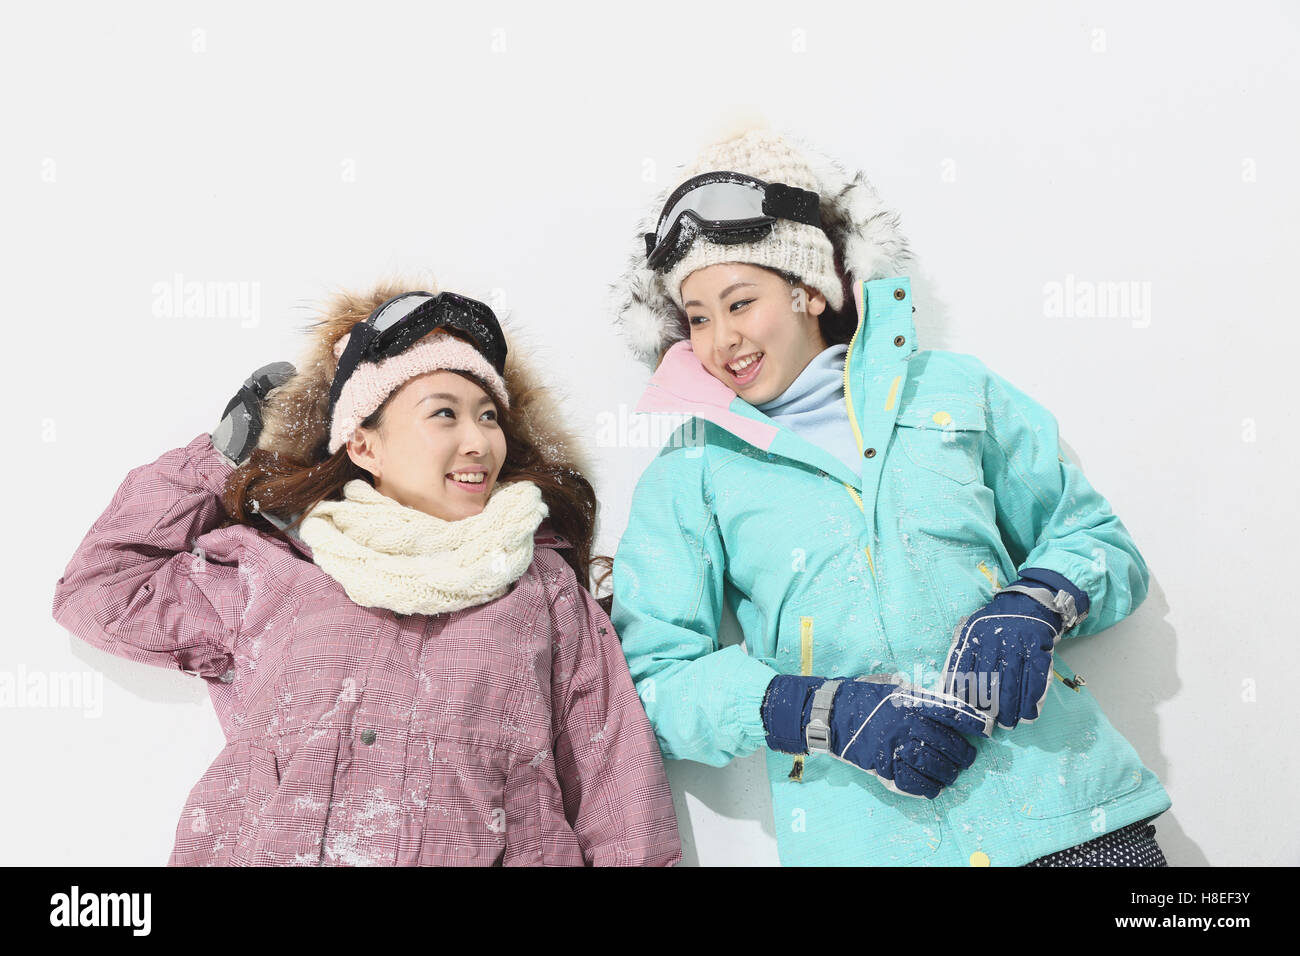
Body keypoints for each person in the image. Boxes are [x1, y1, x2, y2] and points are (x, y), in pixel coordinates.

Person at [608, 128, 1170, 866]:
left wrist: (1039, 601)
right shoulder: (692, 471)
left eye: (740, 302)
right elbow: (656, 685)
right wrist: (817, 711)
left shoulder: (953, 391)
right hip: (873, 845)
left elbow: (1098, 539)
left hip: (1071, 819)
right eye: (698, 318)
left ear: (809, 290)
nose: (721, 340)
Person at [52, 277, 681, 866]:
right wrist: (216, 461)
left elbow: (615, 779)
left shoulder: (540, 586)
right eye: (444, 413)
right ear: (364, 444)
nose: (478, 441)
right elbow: (99, 592)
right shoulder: (273, 573)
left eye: (489, 415)